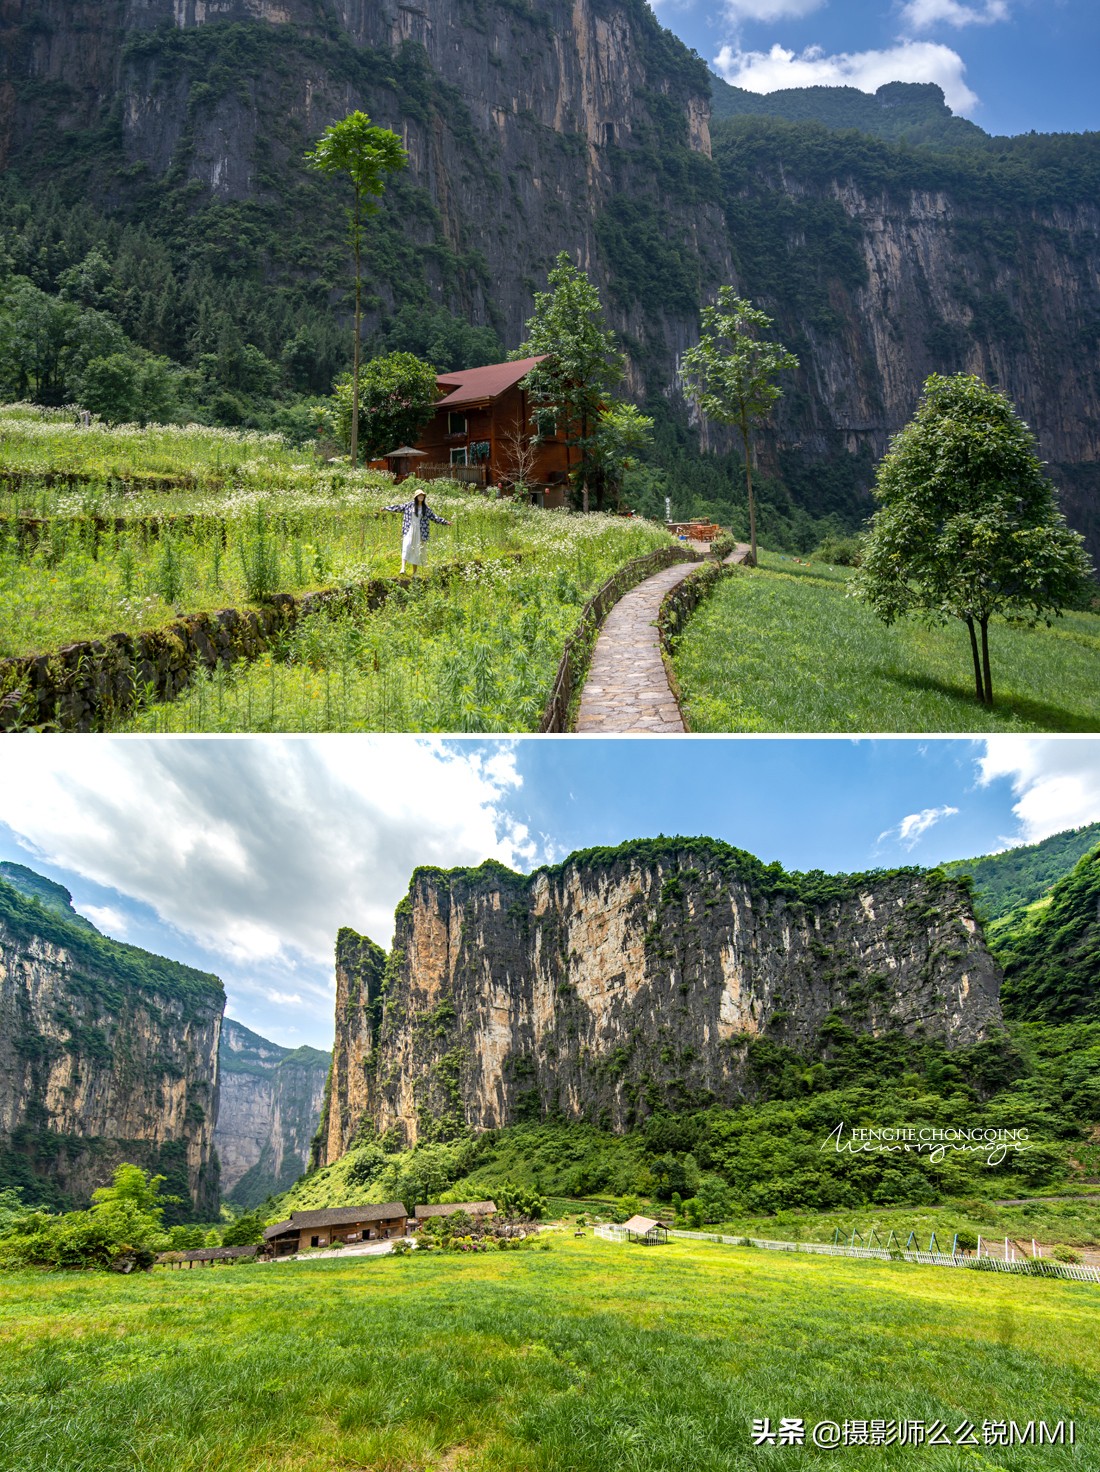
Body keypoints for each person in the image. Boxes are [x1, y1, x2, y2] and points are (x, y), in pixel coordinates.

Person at [383, 490, 452, 575]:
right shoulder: (409, 505)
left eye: (422, 496)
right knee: (407, 546)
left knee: (416, 550)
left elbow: (434, 518)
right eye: (419, 495)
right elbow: (397, 507)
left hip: (420, 531)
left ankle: (415, 572)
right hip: (409, 529)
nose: (421, 497)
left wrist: (445, 522)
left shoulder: (426, 509)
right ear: (416, 497)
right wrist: (385, 508)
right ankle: (403, 568)